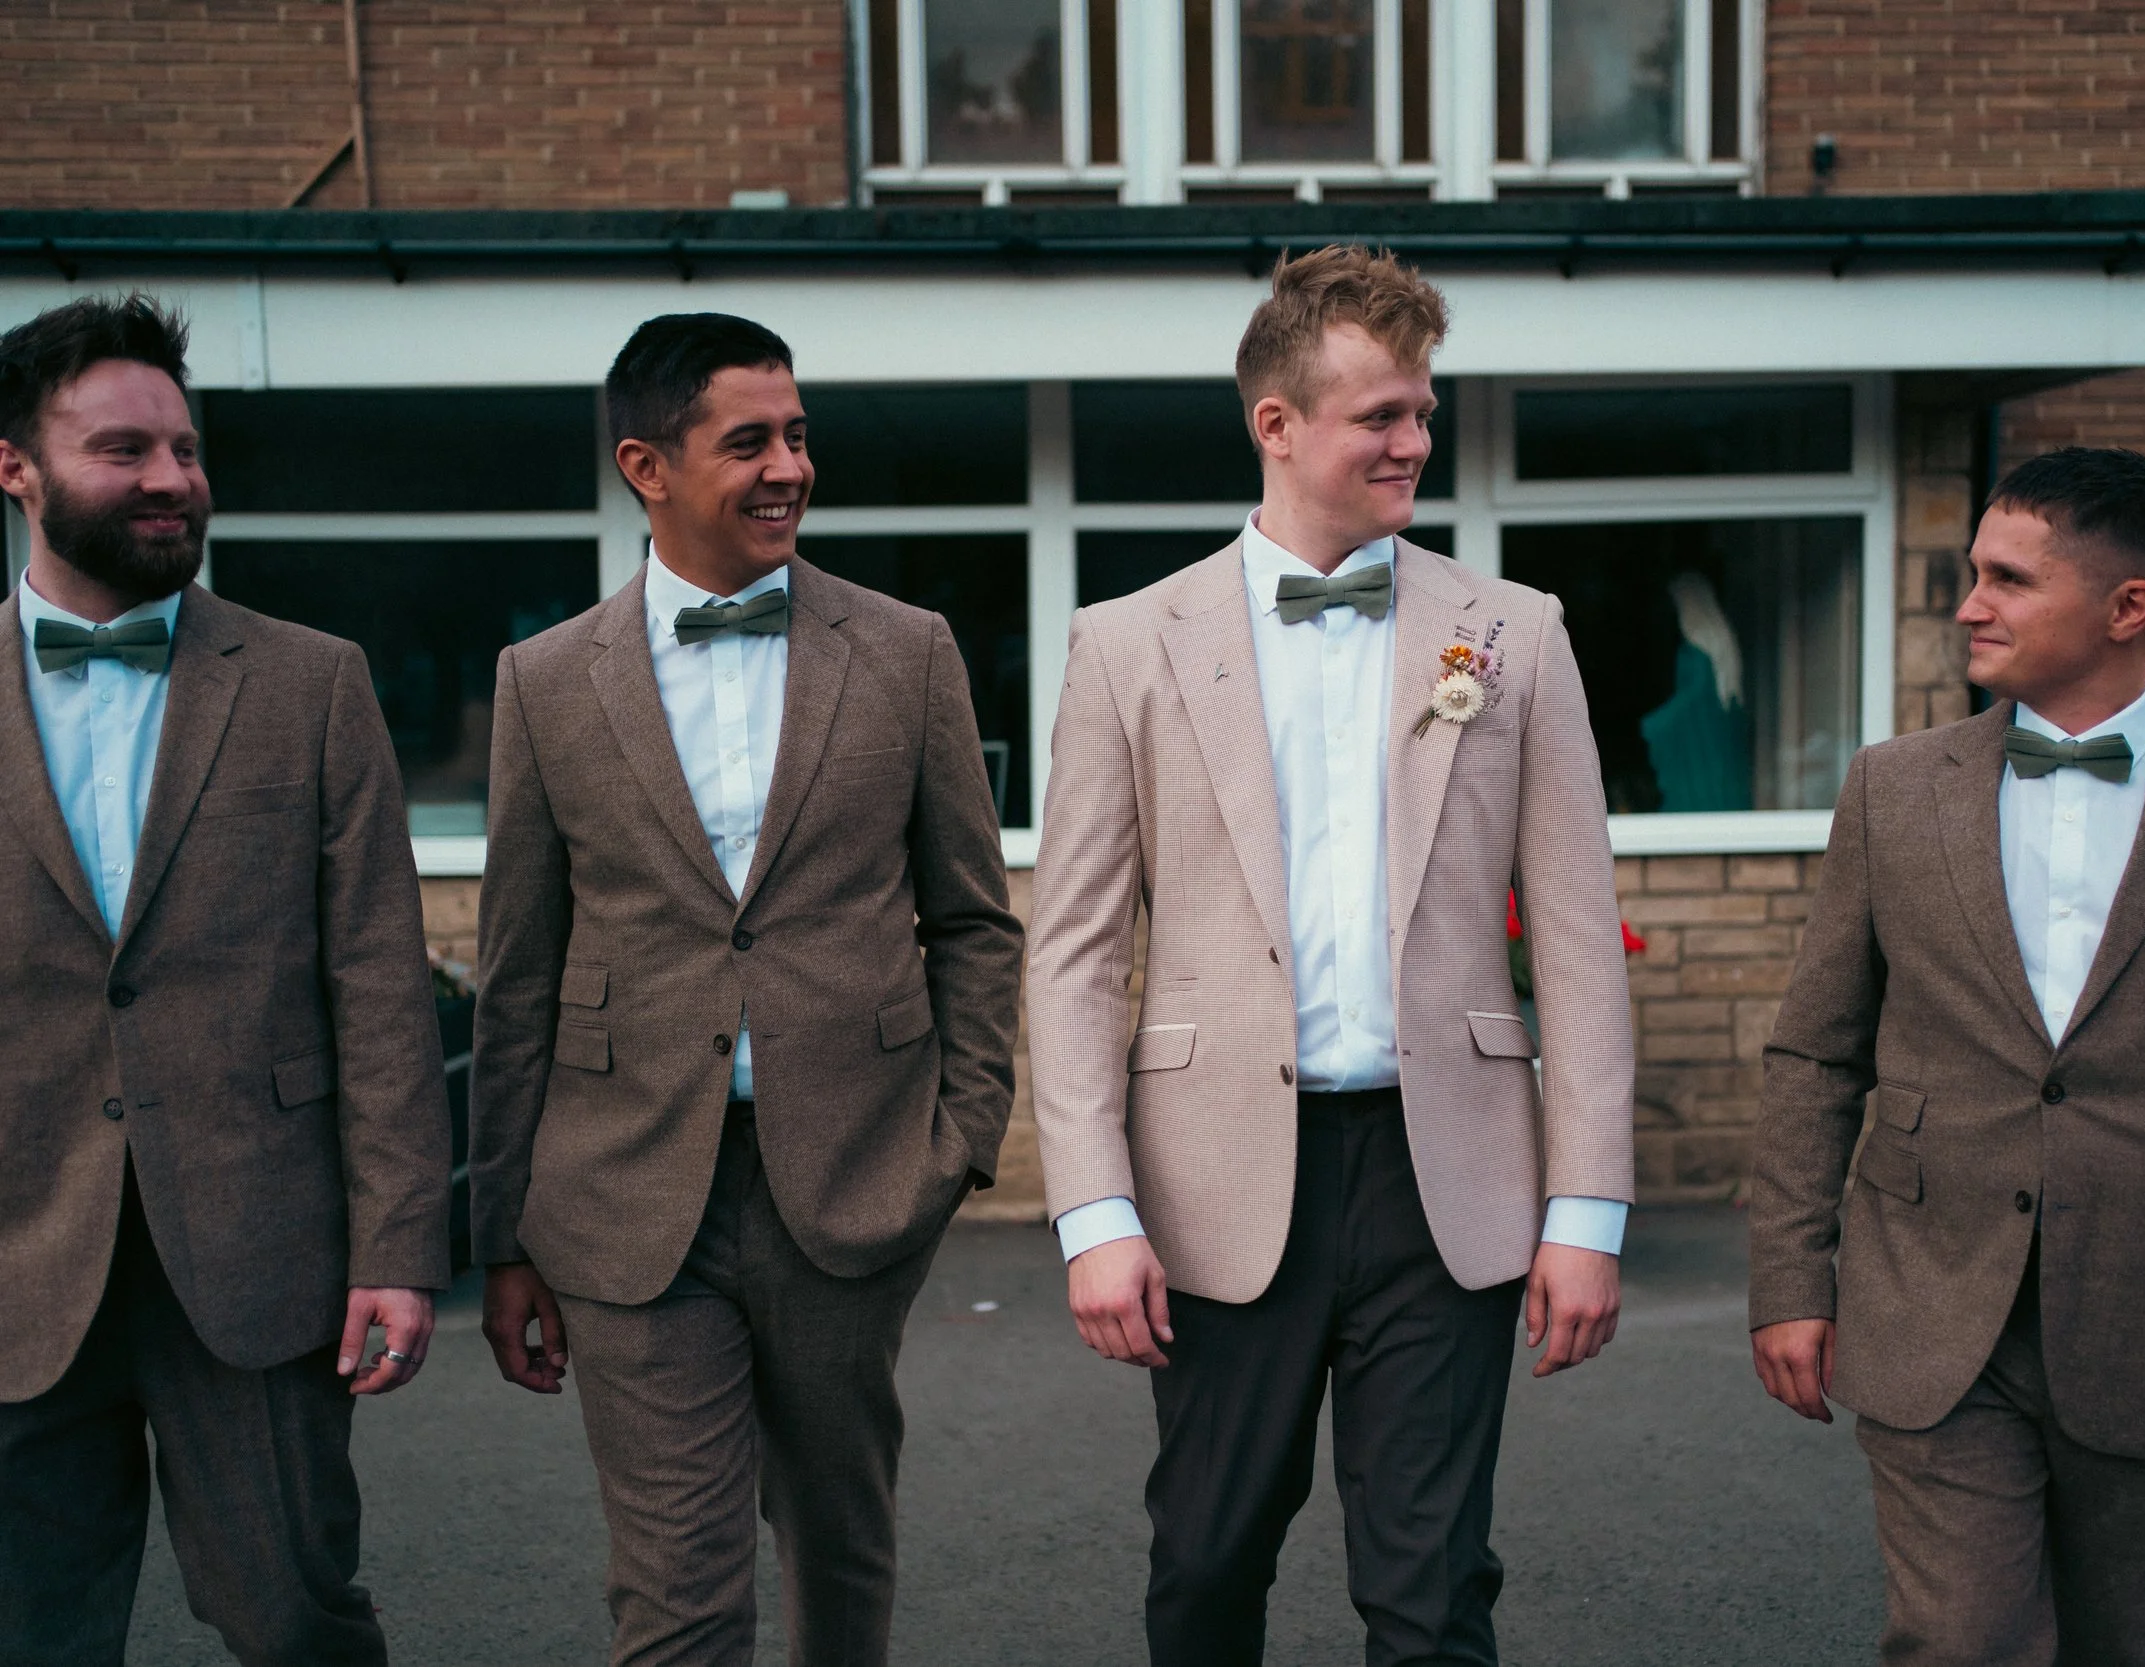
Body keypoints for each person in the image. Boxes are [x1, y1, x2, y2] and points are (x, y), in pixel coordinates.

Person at [1026, 246, 1636, 1666]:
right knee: (1204, 1568)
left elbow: (1578, 933)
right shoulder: (1126, 643)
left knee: (1431, 1588)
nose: (1414, 440)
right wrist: (1091, 1209)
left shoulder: (1515, 633)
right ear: (1278, 423)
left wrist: (1587, 1205)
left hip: (1451, 1177)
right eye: (1382, 414)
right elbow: (1069, 953)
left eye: (1424, 410)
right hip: (1217, 1175)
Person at [1748, 446, 2145, 1667]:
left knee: (2126, 1645)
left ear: (2126, 607)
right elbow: (1816, 1052)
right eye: (1969, 571)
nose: (1969, 603)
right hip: (1934, 1307)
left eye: (2006, 578)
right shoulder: (1893, 790)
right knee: (1962, 1637)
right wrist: (1788, 1272)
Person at [469, 311, 1022, 1667]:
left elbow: (972, 918)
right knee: (679, 1595)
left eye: (798, 434)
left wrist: (960, 1136)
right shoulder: (543, 683)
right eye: (749, 440)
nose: (789, 466)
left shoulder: (908, 651)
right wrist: (502, 1228)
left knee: (838, 1544)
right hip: (619, 1196)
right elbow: (517, 967)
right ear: (646, 465)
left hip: (852, 1170)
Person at [0, 294, 451, 1664]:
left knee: (296, 1617)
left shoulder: (313, 684)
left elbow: (380, 987)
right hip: (17, 1253)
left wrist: (397, 1245)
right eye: (123, 449)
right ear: (14, 465)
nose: (170, 480)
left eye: (185, 450)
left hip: (262, 1252)